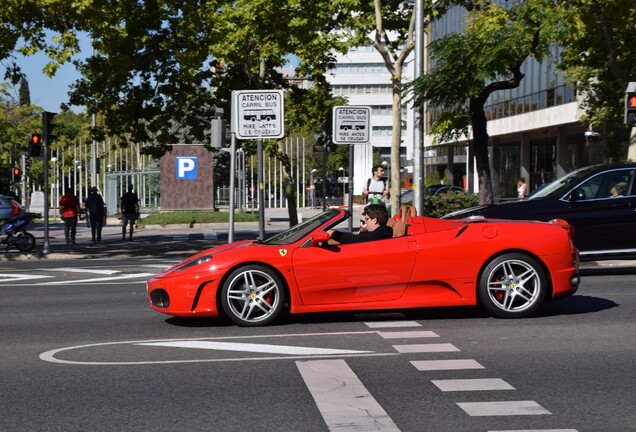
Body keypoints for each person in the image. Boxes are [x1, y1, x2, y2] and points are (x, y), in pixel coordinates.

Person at [327, 204, 392, 244]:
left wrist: (332, 233)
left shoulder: (378, 235)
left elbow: (352, 240)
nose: (366, 222)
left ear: (374, 220)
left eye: (367, 219)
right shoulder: (383, 232)